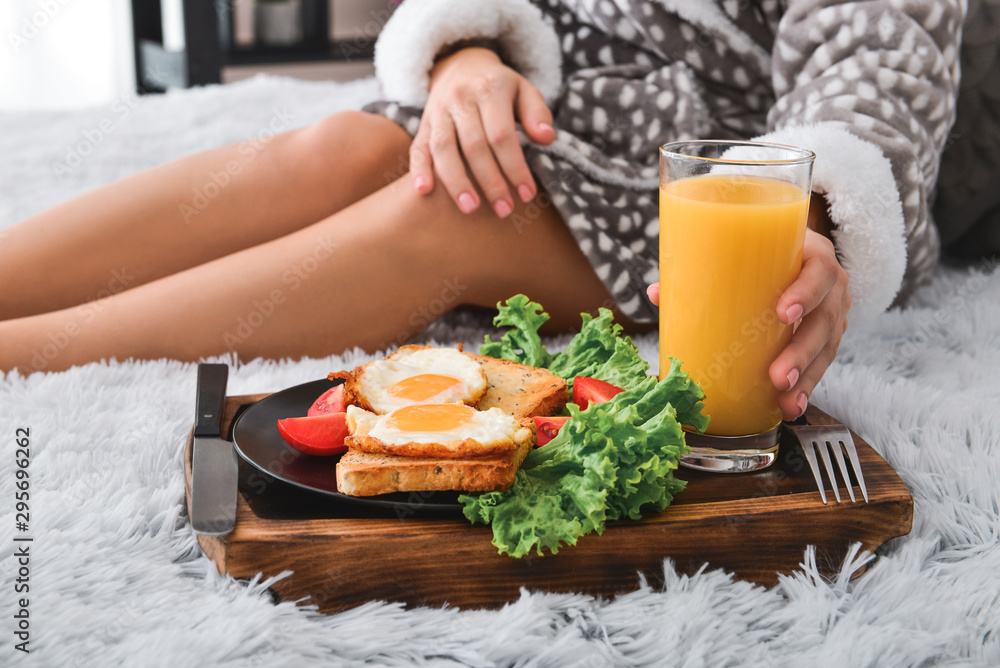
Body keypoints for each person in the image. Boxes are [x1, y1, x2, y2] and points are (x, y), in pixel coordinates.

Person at [0, 0, 963, 422]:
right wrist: (467, 51)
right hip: (557, 104)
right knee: (347, 148)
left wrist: (818, 222)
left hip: (738, 177)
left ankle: (20, 353)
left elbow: (872, 68)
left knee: (454, 216)